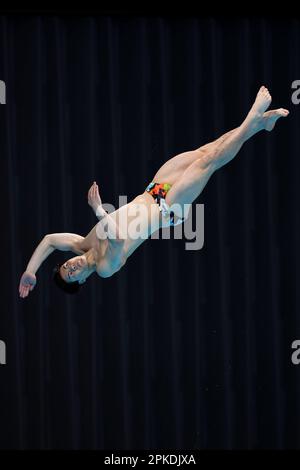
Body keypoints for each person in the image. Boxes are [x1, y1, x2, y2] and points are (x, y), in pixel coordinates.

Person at [19, 86, 289, 297]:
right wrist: (99, 210)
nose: (73, 267)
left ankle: (258, 126)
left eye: (67, 267)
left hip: (153, 191)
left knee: (208, 149)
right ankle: (252, 118)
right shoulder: (104, 269)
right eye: (73, 275)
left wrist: (31, 271)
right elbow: (117, 238)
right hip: (168, 210)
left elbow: (50, 240)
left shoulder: (82, 244)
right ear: (82, 281)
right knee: (210, 161)